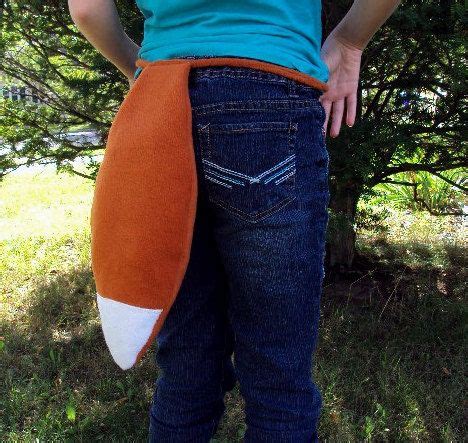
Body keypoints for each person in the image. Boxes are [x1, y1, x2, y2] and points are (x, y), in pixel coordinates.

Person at [68, 0, 401, 441]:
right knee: (278, 376)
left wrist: (139, 65)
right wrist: (348, 41)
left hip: (163, 100)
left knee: (186, 371)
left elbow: (88, 10)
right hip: (270, 95)